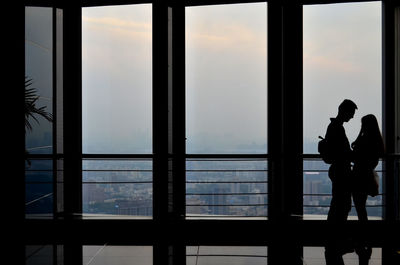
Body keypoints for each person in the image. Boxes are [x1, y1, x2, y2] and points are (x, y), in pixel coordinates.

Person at [324, 99, 358, 265]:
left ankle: (334, 240)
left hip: (338, 171)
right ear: (344, 111)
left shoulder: (334, 127)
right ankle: (336, 240)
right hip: (341, 171)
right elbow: (342, 152)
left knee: (339, 204)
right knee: (341, 205)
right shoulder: (337, 128)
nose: (352, 117)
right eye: (351, 113)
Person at [351, 114, 384, 265]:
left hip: (358, 176)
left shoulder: (364, 140)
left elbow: (355, 154)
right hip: (366, 176)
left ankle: (363, 236)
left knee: (359, 207)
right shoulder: (377, 141)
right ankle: (365, 236)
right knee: (361, 207)